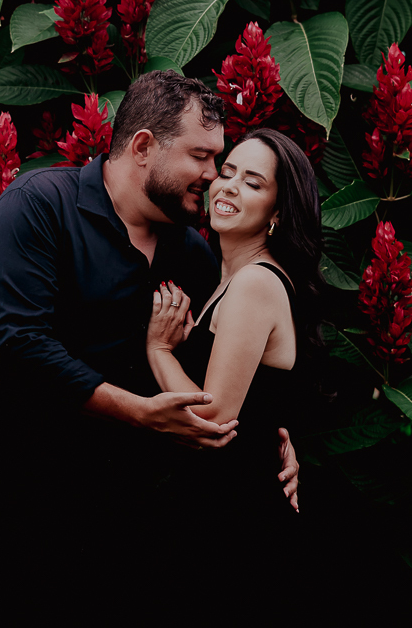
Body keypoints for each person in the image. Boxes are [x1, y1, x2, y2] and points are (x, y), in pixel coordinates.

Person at [0, 73, 300, 621]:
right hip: (3, 496)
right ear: (144, 146)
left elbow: (227, 365)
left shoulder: (193, 256)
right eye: (202, 156)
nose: (212, 176)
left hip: (114, 516)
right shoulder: (37, 207)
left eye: (218, 160)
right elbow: (16, 342)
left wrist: (274, 436)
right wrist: (140, 414)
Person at [143, 126, 323, 610]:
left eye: (253, 182)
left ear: (278, 212)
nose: (228, 187)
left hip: (236, 529)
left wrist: (159, 351)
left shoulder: (255, 285)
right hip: (220, 517)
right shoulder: (231, 279)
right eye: (227, 173)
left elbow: (215, 415)